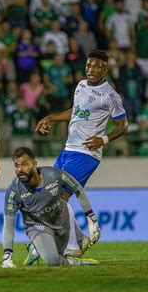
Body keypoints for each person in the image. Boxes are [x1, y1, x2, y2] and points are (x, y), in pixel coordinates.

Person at [35, 49, 128, 257]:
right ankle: (79, 239)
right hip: (68, 149)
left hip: (86, 154)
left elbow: (123, 125)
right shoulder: (81, 85)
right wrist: (51, 117)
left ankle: (73, 248)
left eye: (96, 66)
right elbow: (75, 112)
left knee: (59, 197)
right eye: (88, 65)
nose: (91, 69)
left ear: (105, 68)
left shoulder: (110, 95)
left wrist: (102, 140)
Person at [1, 147, 101, 268]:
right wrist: (7, 257)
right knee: (52, 260)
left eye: (24, 164)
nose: (20, 169)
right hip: (37, 226)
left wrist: (92, 219)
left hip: (61, 225)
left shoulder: (54, 175)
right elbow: (8, 223)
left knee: (57, 255)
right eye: (16, 166)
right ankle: (75, 262)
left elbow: (78, 190)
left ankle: (35, 249)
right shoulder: (14, 190)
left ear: (34, 164)